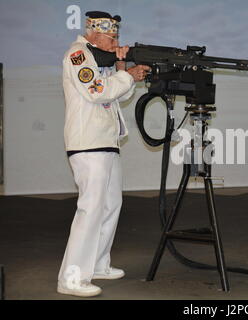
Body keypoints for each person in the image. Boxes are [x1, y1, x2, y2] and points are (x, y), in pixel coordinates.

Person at [57, 11, 150, 297]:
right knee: (90, 210)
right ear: (95, 34)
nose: (115, 42)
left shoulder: (98, 57)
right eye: (112, 38)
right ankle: (71, 277)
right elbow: (96, 91)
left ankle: (96, 264)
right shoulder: (78, 55)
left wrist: (121, 66)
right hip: (88, 144)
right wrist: (126, 74)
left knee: (110, 206)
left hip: (106, 141)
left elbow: (119, 94)